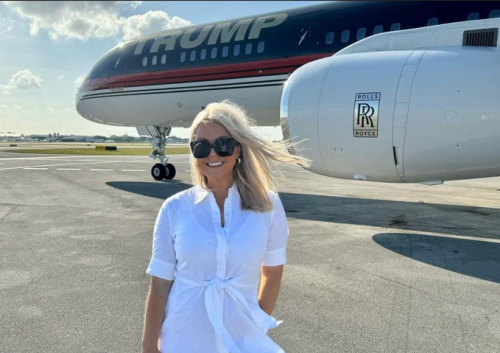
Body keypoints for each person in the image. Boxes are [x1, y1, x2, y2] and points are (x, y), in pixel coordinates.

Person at [141, 100, 310, 353]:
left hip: (243, 341)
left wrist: (255, 326)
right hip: (182, 338)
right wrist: (148, 347)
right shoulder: (174, 208)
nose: (212, 154)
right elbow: (160, 284)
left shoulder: (269, 206)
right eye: (201, 147)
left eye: (223, 145)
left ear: (238, 150)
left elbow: (272, 273)